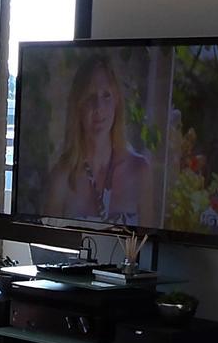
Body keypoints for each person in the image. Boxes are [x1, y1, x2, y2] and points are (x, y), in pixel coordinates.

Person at [40, 54, 154, 224]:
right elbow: (46, 247)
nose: (99, 108)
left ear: (117, 103)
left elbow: (149, 246)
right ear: (78, 106)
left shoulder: (140, 171)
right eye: (90, 97)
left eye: (106, 95)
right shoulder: (61, 177)